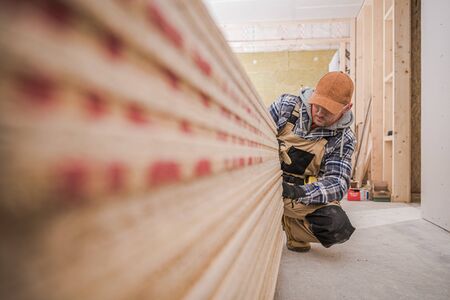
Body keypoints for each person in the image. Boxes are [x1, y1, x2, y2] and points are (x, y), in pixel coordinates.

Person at [269, 71, 356, 252]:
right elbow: (256, 137)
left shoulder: (344, 138)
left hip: (301, 195)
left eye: (329, 108)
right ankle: (272, 221)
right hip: (268, 186)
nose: (320, 112)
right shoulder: (286, 105)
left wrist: (297, 191)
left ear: (347, 107)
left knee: (337, 226)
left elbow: (337, 182)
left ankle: (294, 229)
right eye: (317, 104)